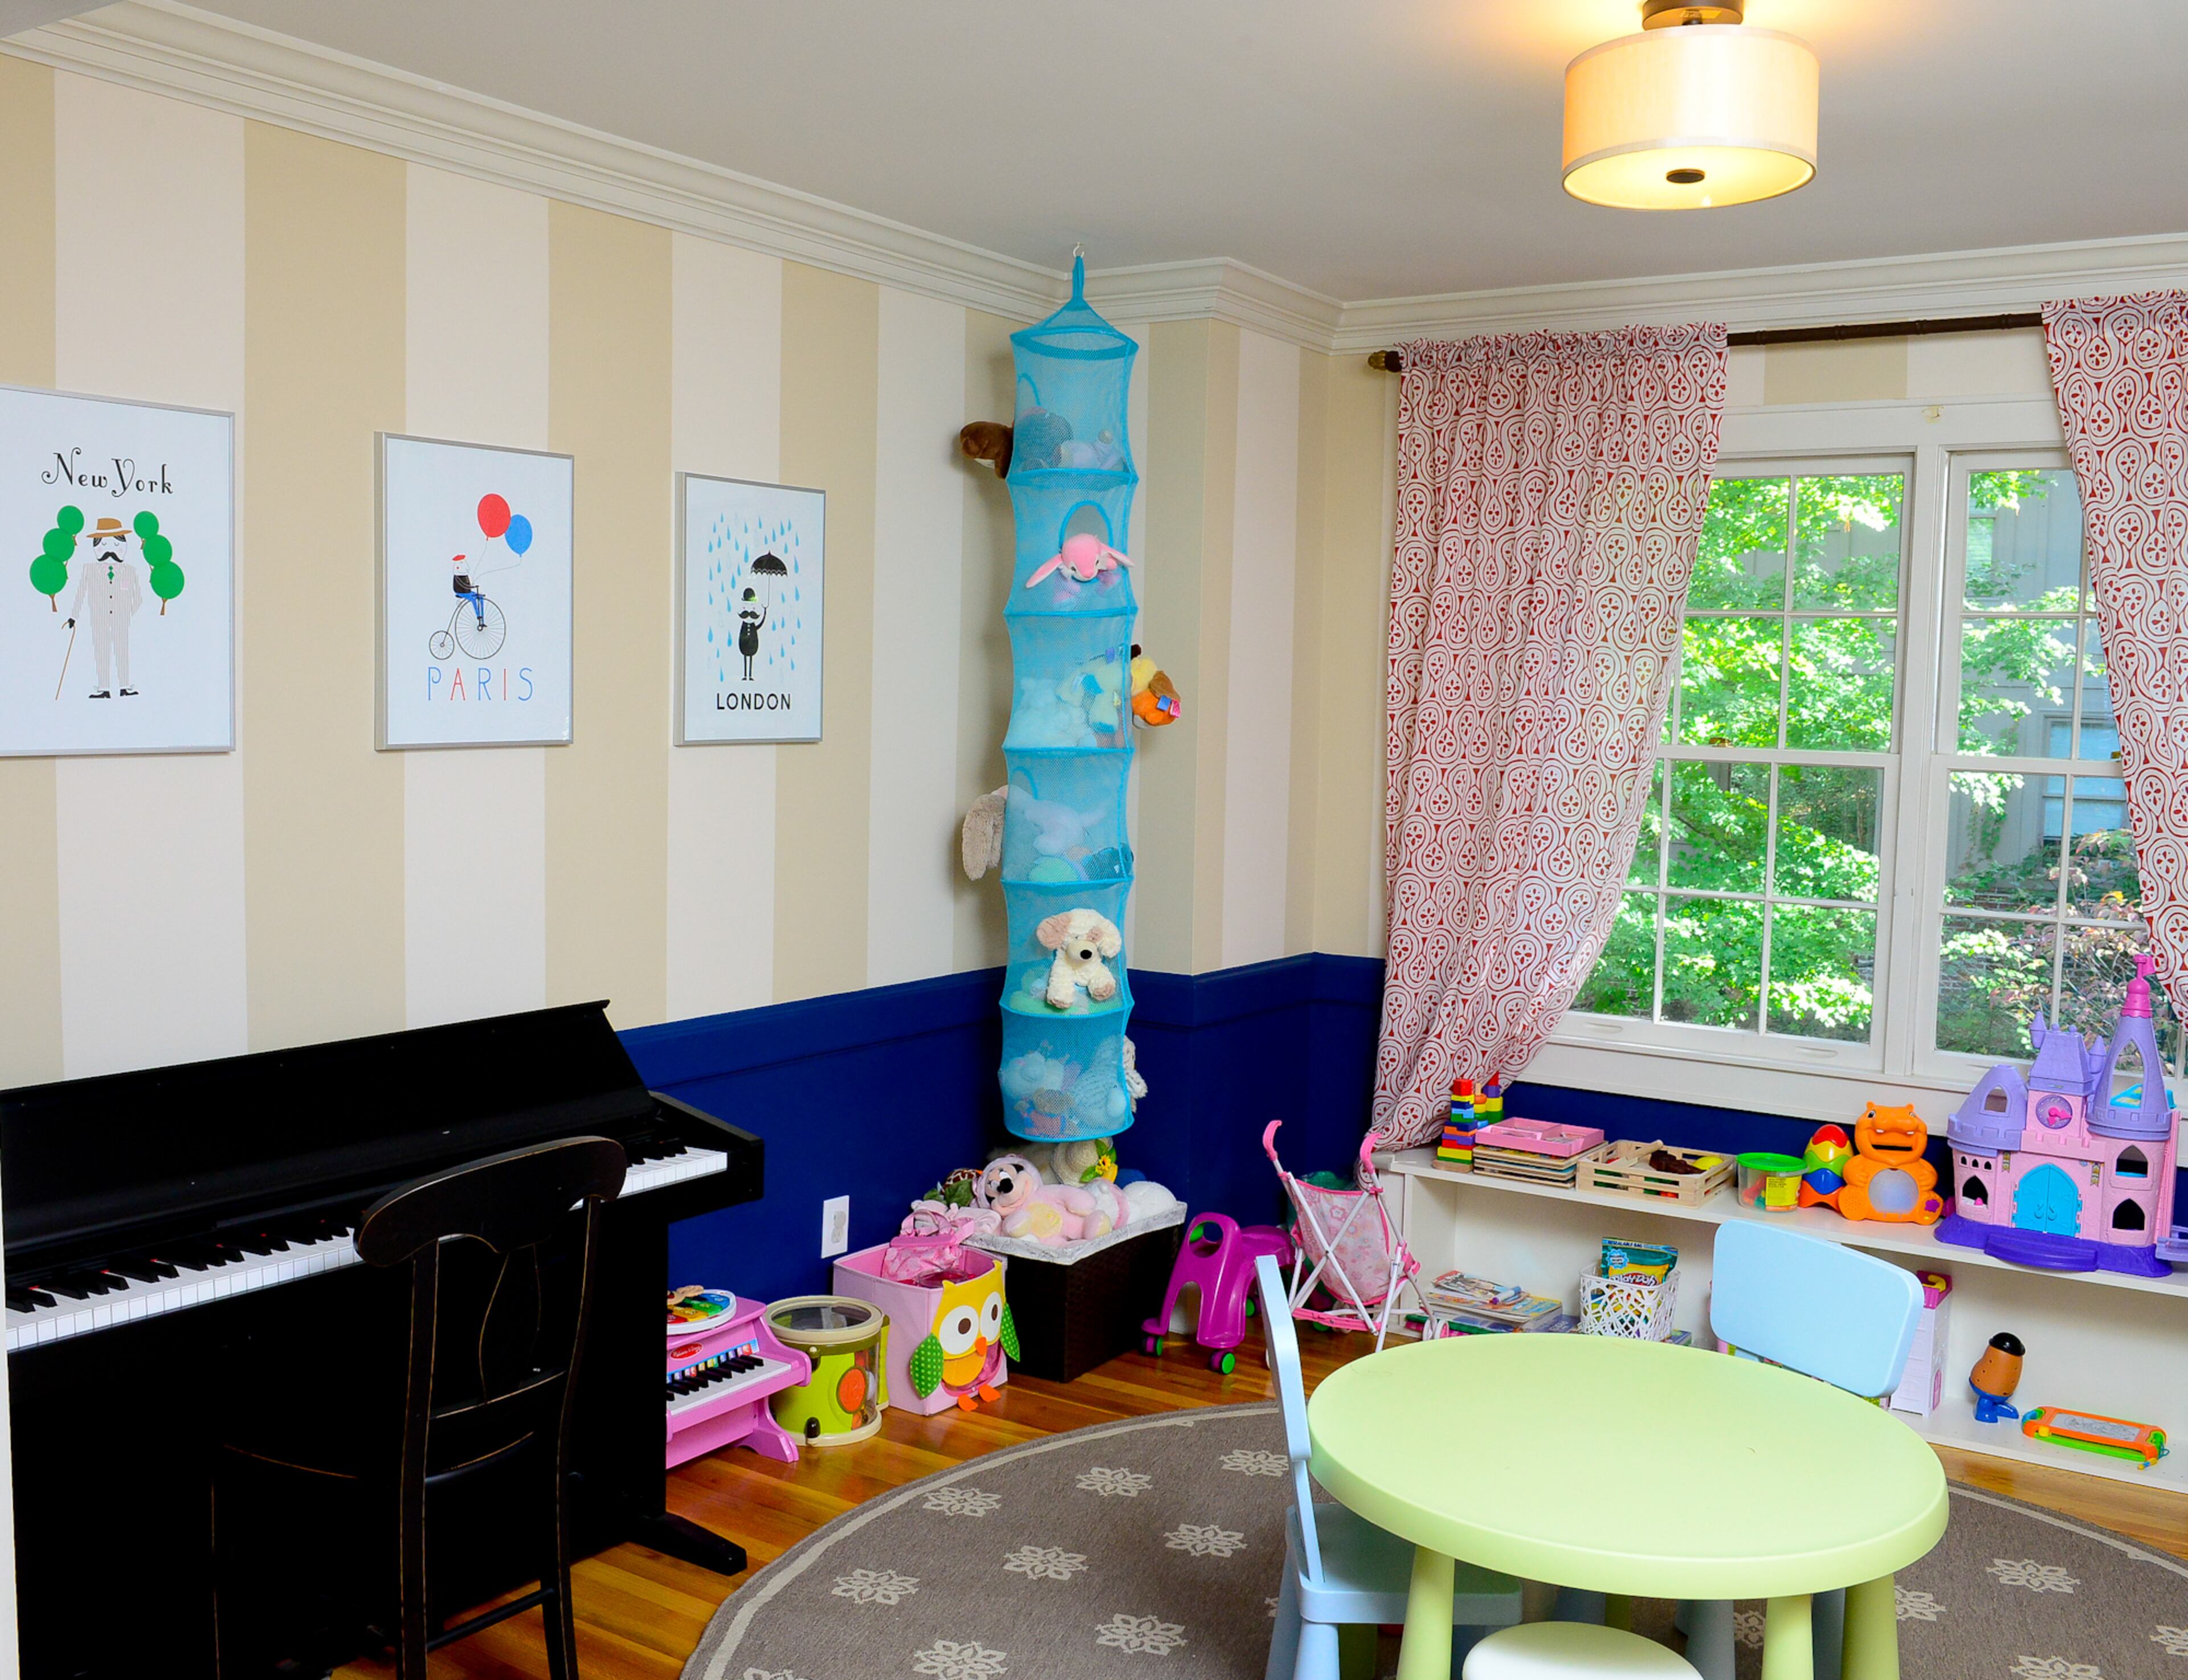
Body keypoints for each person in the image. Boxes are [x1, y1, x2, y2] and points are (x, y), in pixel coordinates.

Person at [64, 516, 144, 698]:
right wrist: (73, 616)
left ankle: (124, 686)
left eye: (116, 545)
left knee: (122, 650)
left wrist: (127, 613)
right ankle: (104, 688)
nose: (110, 551)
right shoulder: (89, 570)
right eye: (104, 545)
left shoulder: (130, 571)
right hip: (99, 619)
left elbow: (138, 597)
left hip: (121, 620)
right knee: (102, 651)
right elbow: (80, 595)